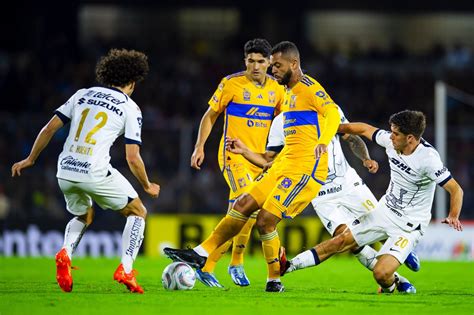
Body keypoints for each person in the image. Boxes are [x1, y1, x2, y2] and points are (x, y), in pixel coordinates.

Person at [165, 41, 341, 292]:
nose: (273, 70)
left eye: (277, 66)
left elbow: (332, 112)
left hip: (306, 168)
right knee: (243, 204)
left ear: (294, 64)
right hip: (282, 163)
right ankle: (201, 253)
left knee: (265, 220)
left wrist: (323, 141)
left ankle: (272, 279)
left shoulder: (308, 88)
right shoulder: (285, 91)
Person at [11, 48, 160, 294]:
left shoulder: (83, 94)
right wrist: (146, 185)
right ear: (133, 82)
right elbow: (133, 157)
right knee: (138, 211)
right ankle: (126, 268)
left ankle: (65, 253)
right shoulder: (130, 107)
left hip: (65, 170)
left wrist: (30, 159)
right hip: (94, 170)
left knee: (84, 215)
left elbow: (49, 129)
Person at [226, 107, 419, 293]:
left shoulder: (329, 110)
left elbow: (351, 136)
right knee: (350, 240)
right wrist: (245, 152)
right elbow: (269, 159)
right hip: (320, 193)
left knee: (383, 222)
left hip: (350, 185)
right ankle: (396, 280)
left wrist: (365, 159)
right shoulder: (280, 122)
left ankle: (403, 250)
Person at [280, 110, 463, 293]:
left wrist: (453, 215)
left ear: (410, 138)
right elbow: (364, 129)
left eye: (395, 134)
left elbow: (456, 189)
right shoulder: (391, 142)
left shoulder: (428, 160)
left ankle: (390, 284)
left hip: (409, 226)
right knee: (341, 241)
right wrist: (334, 129)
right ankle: (289, 266)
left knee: (381, 274)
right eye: (391, 131)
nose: (390, 137)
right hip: (383, 212)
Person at [189, 38, 285, 287]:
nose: (255, 66)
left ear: (269, 62)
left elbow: (283, 122)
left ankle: (218, 264)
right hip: (234, 156)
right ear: (245, 61)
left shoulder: (278, 89)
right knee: (247, 204)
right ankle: (228, 263)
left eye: (261, 61)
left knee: (240, 213)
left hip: (260, 159)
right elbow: (210, 116)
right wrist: (199, 146)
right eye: (250, 61)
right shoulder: (231, 83)